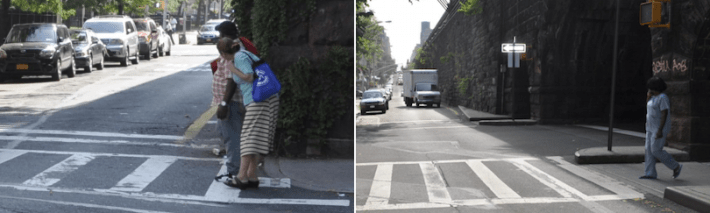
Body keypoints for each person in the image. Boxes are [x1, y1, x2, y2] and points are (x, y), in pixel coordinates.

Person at [218, 37, 279, 189]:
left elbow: (249, 77)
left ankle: (241, 177)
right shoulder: (245, 54)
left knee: (247, 138)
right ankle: (251, 175)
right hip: (265, 98)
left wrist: (233, 70)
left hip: (258, 100)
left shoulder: (239, 58)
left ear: (224, 53)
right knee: (255, 138)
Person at [211, 22, 247, 181]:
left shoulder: (234, 50)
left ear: (226, 35)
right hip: (228, 101)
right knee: (224, 132)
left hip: (232, 101)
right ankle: (238, 169)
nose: (218, 38)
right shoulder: (234, 46)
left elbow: (232, 80)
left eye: (220, 35)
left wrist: (224, 104)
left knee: (232, 137)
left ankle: (235, 172)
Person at [640, 76, 682, 180]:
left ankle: (675, 166)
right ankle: (650, 173)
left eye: (650, 87)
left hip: (659, 128)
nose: (649, 89)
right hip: (650, 127)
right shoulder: (653, 97)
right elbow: (648, 108)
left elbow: (664, 113)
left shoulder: (663, 97)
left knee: (656, 150)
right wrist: (648, 97)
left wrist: (660, 130)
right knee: (648, 150)